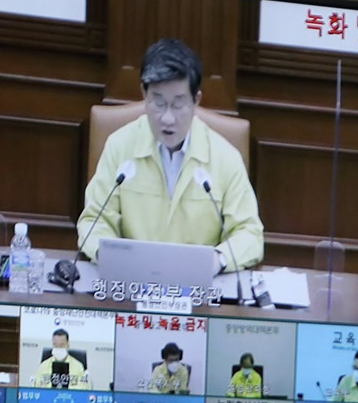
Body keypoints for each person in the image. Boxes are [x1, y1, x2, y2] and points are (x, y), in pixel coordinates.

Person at [76, 39, 263, 271]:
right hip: (131, 283)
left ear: (196, 100)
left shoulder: (225, 157)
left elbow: (250, 234)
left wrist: (217, 261)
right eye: (158, 102)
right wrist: (111, 257)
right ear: (144, 94)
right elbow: (94, 222)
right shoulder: (120, 146)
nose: (167, 118)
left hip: (197, 290)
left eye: (178, 104)